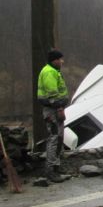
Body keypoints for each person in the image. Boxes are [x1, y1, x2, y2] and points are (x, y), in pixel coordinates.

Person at [37, 49, 70, 183]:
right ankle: (50, 171)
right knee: (54, 138)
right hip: (53, 110)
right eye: (60, 59)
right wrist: (60, 108)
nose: (62, 62)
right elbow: (53, 94)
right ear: (54, 60)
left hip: (55, 109)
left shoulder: (53, 71)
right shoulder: (49, 72)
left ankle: (56, 168)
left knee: (58, 138)